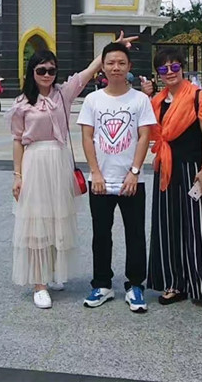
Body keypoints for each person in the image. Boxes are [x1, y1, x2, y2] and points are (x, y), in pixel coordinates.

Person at [9, 31, 138, 309]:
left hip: (59, 162)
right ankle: (39, 283)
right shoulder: (22, 104)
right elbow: (18, 141)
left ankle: (53, 273)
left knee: (58, 218)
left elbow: (89, 71)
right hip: (35, 162)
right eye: (41, 70)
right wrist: (17, 175)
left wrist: (111, 48)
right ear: (32, 72)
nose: (46, 75)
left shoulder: (63, 94)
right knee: (37, 220)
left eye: (51, 70)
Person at [141, 48, 202, 322]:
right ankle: (175, 283)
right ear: (158, 73)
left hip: (193, 170)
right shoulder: (157, 101)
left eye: (174, 66)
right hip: (166, 169)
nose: (169, 72)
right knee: (167, 227)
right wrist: (145, 97)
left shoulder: (198, 97)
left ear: (183, 67)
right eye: (163, 69)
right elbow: (148, 131)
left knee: (197, 230)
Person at [77, 42, 157, 312]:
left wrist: (134, 172)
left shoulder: (140, 100)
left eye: (121, 63)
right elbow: (87, 137)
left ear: (129, 67)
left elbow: (144, 136)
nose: (116, 67)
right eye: (110, 62)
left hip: (131, 181)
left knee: (135, 234)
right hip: (100, 181)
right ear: (102, 66)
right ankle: (102, 284)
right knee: (101, 234)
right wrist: (95, 173)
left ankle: (135, 285)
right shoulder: (93, 100)